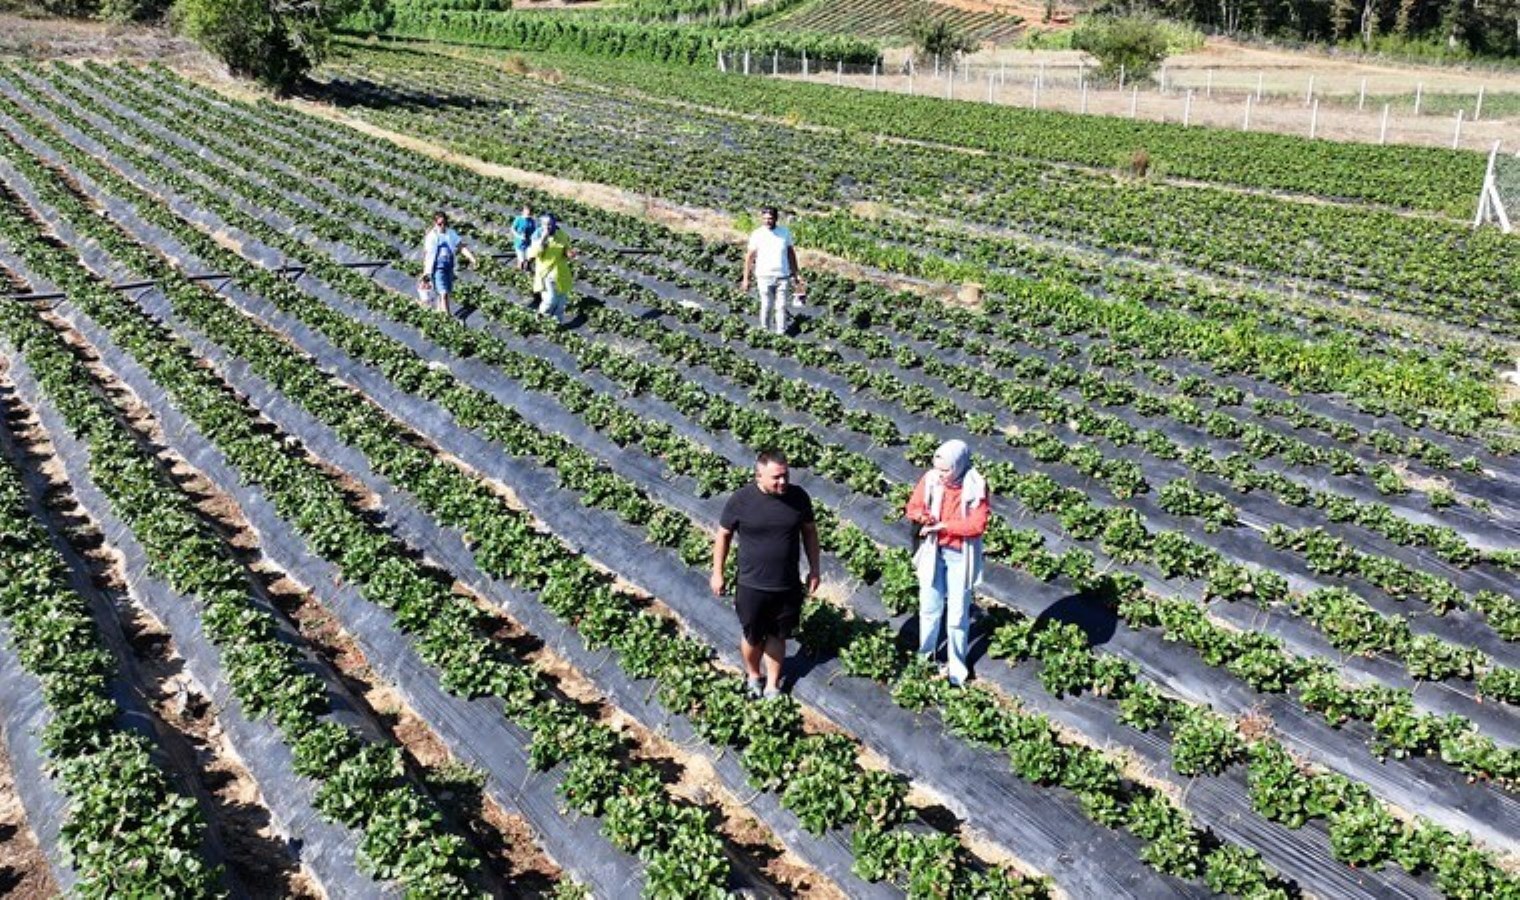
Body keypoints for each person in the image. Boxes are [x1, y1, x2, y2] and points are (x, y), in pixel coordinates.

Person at [712, 451, 821, 699]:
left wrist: (815, 568)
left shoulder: (798, 497)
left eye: (786, 475)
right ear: (758, 476)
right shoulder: (741, 500)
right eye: (776, 478)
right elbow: (723, 535)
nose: (783, 482)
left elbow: (810, 532)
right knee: (752, 636)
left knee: (778, 635)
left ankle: (772, 685)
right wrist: (717, 573)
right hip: (752, 584)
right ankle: (753, 675)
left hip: (787, 584)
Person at [905, 439, 989, 688]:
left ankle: (957, 670)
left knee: (957, 615)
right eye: (937, 468)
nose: (940, 474)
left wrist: (943, 526)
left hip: (960, 556)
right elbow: (913, 506)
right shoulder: (931, 479)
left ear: (959, 464)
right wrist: (924, 517)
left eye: (945, 469)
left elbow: (976, 525)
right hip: (934, 551)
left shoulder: (976, 485)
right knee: (929, 608)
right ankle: (925, 660)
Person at [740, 206, 804, 336]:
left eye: (770, 218)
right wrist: (746, 279)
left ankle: (781, 333)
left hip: (782, 275)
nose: (767, 221)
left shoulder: (784, 233)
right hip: (764, 276)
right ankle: (765, 332)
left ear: (776, 218)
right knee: (766, 305)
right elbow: (749, 258)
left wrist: (796, 274)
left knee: (781, 306)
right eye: (764, 218)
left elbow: (791, 254)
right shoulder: (757, 234)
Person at [421, 211, 476, 317]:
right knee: (444, 292)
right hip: (437, 267)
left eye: (444, 223)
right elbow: (427, 254)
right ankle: (447, 316)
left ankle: (440, 312)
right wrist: (425, 272)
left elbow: (461, 246)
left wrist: (472, 258)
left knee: (445, 291)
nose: (442, 226)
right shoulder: (431, 236)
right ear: (435, 223)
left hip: (449, 266)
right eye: (439, 224)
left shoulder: (451, 233)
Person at [528, 212, 576, 324]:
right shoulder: (537, 235)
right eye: (544, 224)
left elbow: (566, 249)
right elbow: (532, 254)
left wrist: (570, 254)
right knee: (550, 300)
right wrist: (542, 239)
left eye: (549, 224)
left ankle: (556, 324)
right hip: (546, 273)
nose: (547, 226)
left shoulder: (561, 234)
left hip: (560, 272)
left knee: (561, 302)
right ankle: (541, 318)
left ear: (554, 223)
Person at [510, 204, 536, 271]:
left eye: (530, 212)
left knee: (528, 259)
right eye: (527, 211)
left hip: (529, 243)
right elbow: (512, 229)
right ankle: (519, 271)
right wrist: (518, 236)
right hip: (519, 243)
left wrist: (533, 238)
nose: (529, 213)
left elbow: (534, 232)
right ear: (524, 211)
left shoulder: (532, 221)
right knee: (521, 260)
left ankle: (527, 270)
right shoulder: (518, 219)